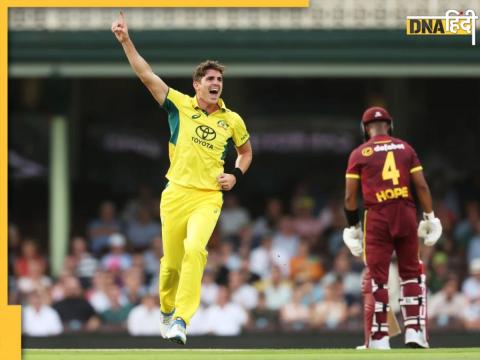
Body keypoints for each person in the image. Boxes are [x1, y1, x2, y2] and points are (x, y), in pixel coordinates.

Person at [112, 11, 253, 345]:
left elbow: (246, 153)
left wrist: (235, 175)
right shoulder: (178, 105)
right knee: (171, 265)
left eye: (219, 80)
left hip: (208, 196)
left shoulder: (232, 120)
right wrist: (125, 40)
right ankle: (165, 309)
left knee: (195, 250)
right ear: (197, 85)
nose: (216, 84)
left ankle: (181, 319)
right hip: (175, 193)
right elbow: (146, 75)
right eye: (210, 80)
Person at [342, 106, 442, 349]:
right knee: (411, 274)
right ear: (390, 125)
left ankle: (379, 339)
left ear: (365, 128)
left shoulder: (359, 153)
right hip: (406, 214)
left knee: (378, 279)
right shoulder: (405, 148)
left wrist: (353, 226)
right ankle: (415, 332)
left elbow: (349, 198)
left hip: (377, 218)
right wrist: (430, 217)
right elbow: (422, 187)